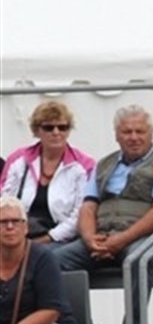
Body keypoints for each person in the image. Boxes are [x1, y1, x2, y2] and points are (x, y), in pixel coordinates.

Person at [57, 105, 153, 324]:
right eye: (127, 132)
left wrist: (121, 240)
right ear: (116, 135)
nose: (134, 137)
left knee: (138, 258)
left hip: (146, 238)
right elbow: (88, 207)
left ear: (151, 134)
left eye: (140, 131)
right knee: (54, 261)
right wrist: (90, 239)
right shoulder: (103, 165)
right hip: (103, 237)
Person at [1, 100, 96, 249]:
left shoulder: (84, 165)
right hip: (17, 235)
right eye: (48, 128)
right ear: (36, 131)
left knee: (45, 256)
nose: (56, 132)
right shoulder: (18, 160)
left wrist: (48, 238)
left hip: (61, 239)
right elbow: (5, 202)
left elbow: (80, 214)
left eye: (62, 127)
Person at [0, 196, 81, 324]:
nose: (10, 227)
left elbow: (51, 312)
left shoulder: (43, 257)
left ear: (26, 227)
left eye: (16, 221)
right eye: (3, 222)